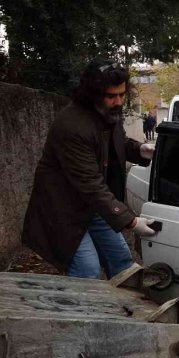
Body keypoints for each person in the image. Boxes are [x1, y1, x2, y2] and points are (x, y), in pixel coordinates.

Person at [22, 60, 157, 279]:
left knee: (121, 259)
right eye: (112, 96)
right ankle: (82, 312)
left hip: (93, 206)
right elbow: (89, 184)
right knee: (87, 270)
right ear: (92, 94)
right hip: (65, 209)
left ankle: (121, 310)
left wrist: (140, 150)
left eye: (122, 95)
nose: (118, 101)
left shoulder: (106, 113)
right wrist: (131, 222)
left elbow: (117, 142)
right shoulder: (72, 126)